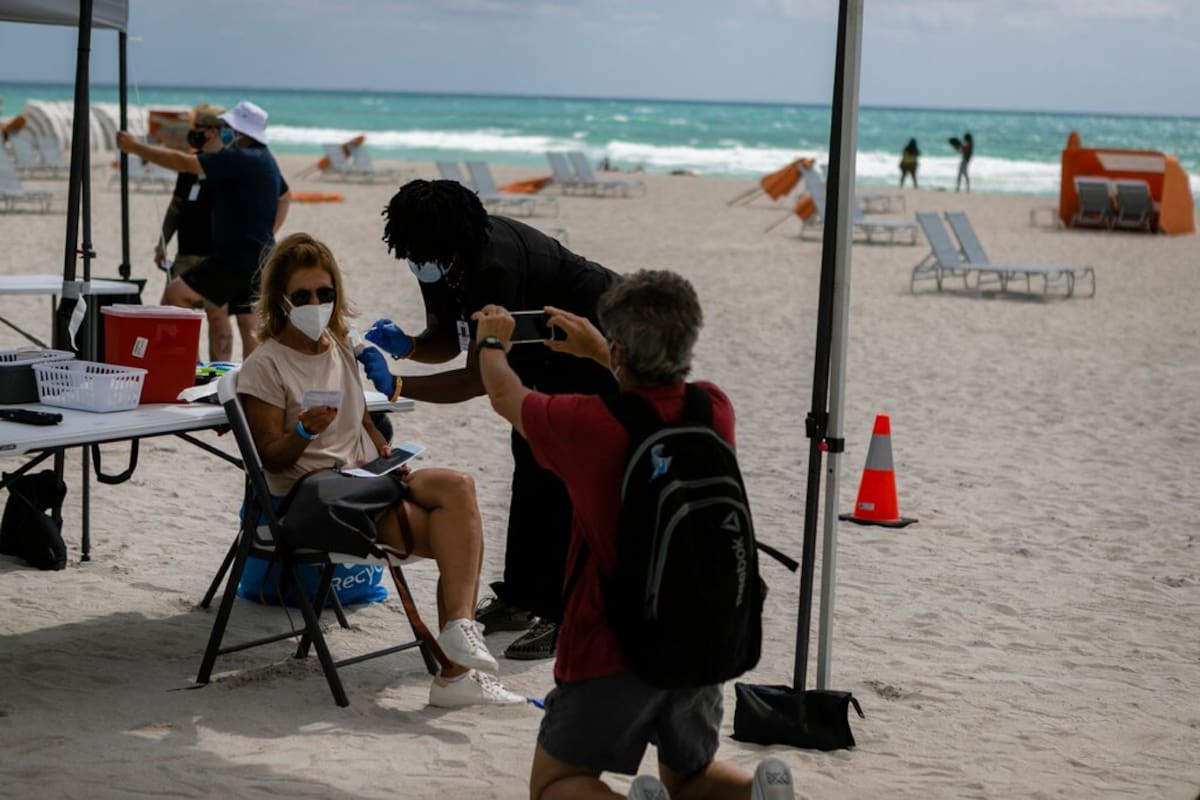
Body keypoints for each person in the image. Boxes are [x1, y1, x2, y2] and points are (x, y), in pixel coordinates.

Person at [471, 270, 795, 800]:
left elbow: (506, 395)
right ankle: (757, 794)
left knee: (556, 784)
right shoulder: (714, 408)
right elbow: (657, 395)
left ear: (619, 349)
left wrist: (491, 341)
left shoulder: (588, 424)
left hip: (610, 646)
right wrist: (603, 353)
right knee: (690, 776)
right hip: (699, 637)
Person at [236, 231, 525, 708]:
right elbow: (270, 457)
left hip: (363, 480)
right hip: (313, 498)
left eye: (325, 293)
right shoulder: (265, 365)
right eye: (303, 296)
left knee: (459, 487)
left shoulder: (337, 345)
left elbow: (364, 420)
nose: (316, 304)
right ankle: (455, 674)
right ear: (280, 301)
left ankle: (458, 633)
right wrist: (304, 431)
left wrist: (385, 453)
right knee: (454, 536)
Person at [365, 179, 618, 661]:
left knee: (568, 473)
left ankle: (567, 614)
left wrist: (397, 386)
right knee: (531, 463)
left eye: (424, 255)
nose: (418, 263)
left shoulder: (493, 268)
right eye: (412, 254)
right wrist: (411, 347)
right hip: (540, 349)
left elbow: (477, 377)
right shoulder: (434, 253)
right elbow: (448, 336)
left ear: (456, 243)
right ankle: (522, 598)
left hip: (595, 339)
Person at [116, 100, 292, 359]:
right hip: (260, 255)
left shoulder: (239, 158)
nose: (228, 133)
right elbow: (285, 196)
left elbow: (184, 162)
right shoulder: (266, 159)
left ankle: (190, 365)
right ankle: (249, 378)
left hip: (235, 257)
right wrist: (268, 232)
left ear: (241, 132)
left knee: (177, 293)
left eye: (231, 128)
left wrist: (136, 147)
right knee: (249, 322)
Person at [153, 103, 234, 361]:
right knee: (172, 313)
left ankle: (219, 371)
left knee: (217, 315)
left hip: (216, 256)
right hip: (186, 254)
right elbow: (176, 206)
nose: (192, 131)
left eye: (196, 126)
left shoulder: (230, 166)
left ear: (211, 131)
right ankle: (190, 366)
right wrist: (162, 242)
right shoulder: (190, 165)